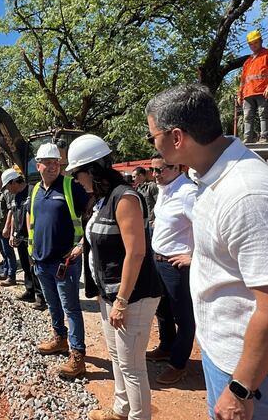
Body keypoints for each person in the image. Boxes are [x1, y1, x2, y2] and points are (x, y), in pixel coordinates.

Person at [146, 84, 268, 420]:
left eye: (152, 137)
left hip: (247, 371)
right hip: (225, 354)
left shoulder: (249, 194)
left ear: (176, 137)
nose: (152, 147)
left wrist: (241, 388)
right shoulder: (208, 178)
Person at [66, 134, 162, 420]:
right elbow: (101, 235)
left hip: (133, 295)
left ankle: (138, 416)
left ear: (93, 170)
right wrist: (81, 246)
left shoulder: (126, 198)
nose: (76, 179)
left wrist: (121, 301)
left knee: (132, 365)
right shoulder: (102, 199)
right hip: (109, 292)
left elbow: (135, 253)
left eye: (77, 173)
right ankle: (121, 410)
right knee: (118, 357)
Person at [28, 142, 90, 379]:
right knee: (53, 306)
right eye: (48, 162)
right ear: (38, 165)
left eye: (57, 162)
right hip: (42, 262)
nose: (54, 166)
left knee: (71, 308)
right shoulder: (35, 190)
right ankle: (59, 338)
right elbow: (31, 220)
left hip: (65, 264)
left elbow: (94, 215)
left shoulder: (71, 186)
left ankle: (78, 354)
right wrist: (32, 252)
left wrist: (81, 246)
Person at [145, 154, 197, 385]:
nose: (155, 175)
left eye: (160, 170)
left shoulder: (188, 193)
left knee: (183, 317)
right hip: (159, 261)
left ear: (177, 166)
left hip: (176, 266)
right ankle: (166, 347)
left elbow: (209, 229)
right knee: (162, 310)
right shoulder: (165, 188)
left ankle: (178, 364)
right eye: (153, 170)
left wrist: (194, 257)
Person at [1, 167, 46, 310]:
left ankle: (41, 297)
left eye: (8, 186)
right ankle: (30, 291)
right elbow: (14, 214)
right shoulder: (15, 196)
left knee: (35, 267)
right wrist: (13, 232)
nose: (8, 190)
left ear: (14, 182)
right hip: (20, 237)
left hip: (32, 237)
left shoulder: (33, 191)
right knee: (26, 267)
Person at [238, 30, 268, 144]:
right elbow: (243, 80)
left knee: (263, 115)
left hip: (262, 91)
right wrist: (240, 94)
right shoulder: (248, 61)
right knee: (247, 116)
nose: (253, 45)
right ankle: (247, 139)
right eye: (251, 44)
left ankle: (263, 138)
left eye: (255, 42)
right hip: (248, 93)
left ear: (261, 41)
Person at [137, 168, 158, 232]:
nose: (133, 179)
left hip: (151, 222)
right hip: (142, 221)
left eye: (134, 176)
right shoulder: (138, 188)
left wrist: (154, 219)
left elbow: (158, 202)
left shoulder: (152, 186)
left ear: (141, 176)